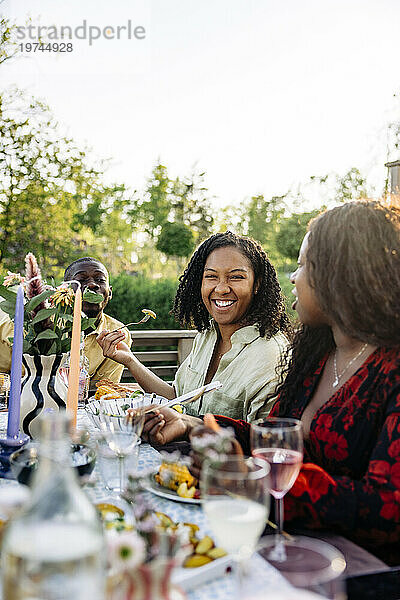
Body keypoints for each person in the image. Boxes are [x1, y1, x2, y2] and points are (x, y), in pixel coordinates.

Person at [142, 200, 400, 565]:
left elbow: (388, 508)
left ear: (345, 275)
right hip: (280, 535)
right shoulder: (315, 354)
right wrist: (190, 424)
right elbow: (269, 437)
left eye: (303, 265)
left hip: (356, 568)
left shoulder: (391, 369)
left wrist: (258, 479)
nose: (293, 278)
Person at [97, 232, 291, 422]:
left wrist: (189, 427)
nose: (221, 288)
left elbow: (266, 439)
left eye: (236, 277)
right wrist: (130, 361)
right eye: (211, 277)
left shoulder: (272, 356)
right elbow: (177, 399)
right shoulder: (207, 337)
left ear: (256, 284)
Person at [64, 257, 132, 387]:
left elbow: (105, 387)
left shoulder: (119, 333)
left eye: (100, 280)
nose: (92, 285)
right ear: (65, 290)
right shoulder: (47, 326)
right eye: (81, 280)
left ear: (109, 292)